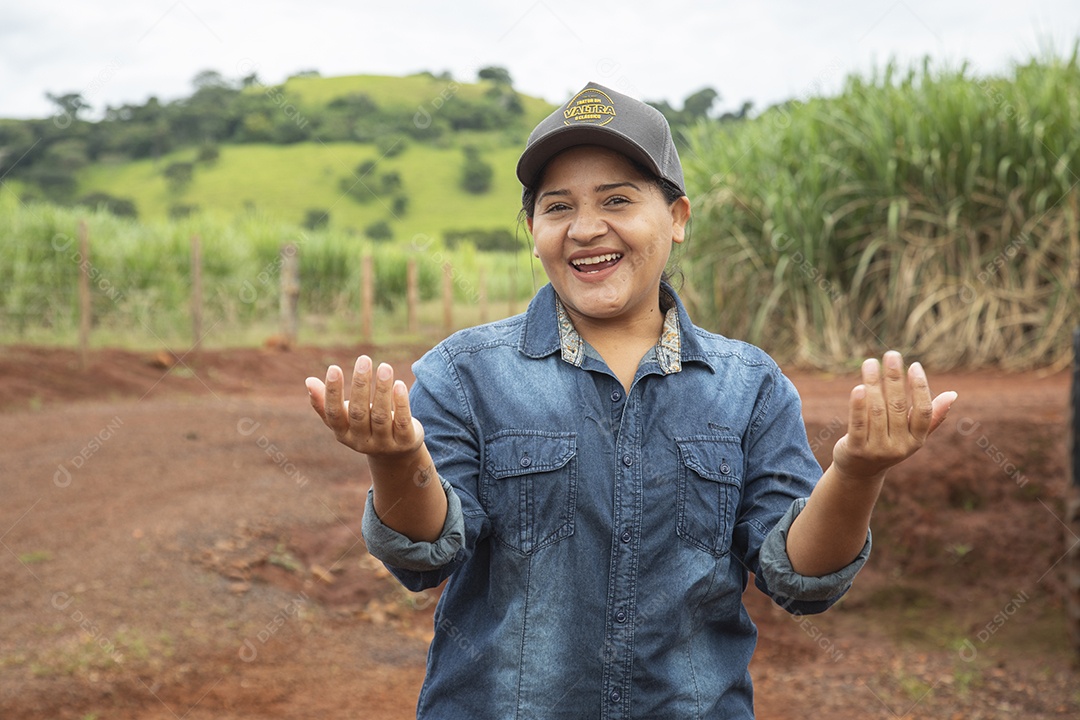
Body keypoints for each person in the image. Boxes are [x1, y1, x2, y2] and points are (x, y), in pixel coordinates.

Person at [305, 81, 957, 718]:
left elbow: (799, 578)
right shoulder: (463, 374)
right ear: (532, 228)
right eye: (558, 207)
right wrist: (396, 461)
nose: (586, 228)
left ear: (676, 219)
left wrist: (856, 472)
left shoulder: (748, 384)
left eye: (617, 200)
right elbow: (425, 554)